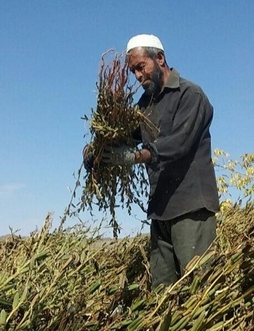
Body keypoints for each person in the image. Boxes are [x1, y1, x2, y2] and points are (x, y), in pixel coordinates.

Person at [89, 34, 220, 290]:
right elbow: (125, 136)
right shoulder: (145, 106)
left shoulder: (190, 95)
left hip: (191, 208)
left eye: (141, 67)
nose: (138, 76)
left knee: (199, 290)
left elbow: (179, 142)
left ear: (159, 58)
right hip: (161, 211)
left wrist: (134, 157)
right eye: (133, 71)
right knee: (163, 294)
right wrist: (98, 152)